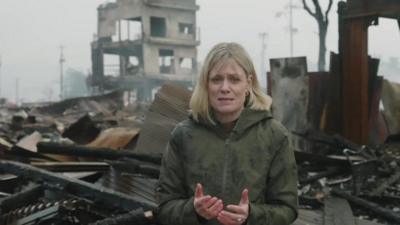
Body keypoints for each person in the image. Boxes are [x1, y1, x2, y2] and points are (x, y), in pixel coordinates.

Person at [156, 42, 298, 225]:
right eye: (216, 79)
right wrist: (194, 210)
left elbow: (287, 209)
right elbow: (163, 208)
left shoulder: (275, 136)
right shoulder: (183, 135)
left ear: (248, 83)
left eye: (234, 79)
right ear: (206, 84)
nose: (225, 88)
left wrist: (251, 216)